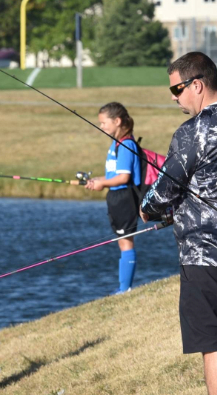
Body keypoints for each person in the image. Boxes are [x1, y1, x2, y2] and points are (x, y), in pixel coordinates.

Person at [139, 51, 217, 395]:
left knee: (216, 343)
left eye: (177, 89)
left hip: (206, 257)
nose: (174, 97)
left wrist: (148, 208)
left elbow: (165, 190)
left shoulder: (193, 130)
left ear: (197, 84)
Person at [82, 102, 143, 294]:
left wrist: (103, 184)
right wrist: (98, 180)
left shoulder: (126, 145)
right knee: (122, 241)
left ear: (117, 121)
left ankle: (125, 288)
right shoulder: (116, 144)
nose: (101, 127)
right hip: (116, 197)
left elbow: (124, 177)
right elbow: (113, 176)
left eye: (103, 123)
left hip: (125, 198)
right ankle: (123, 286)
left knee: (126, 241)